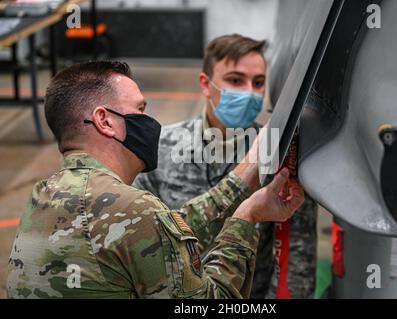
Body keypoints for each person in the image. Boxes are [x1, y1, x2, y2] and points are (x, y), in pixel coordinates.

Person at [6, 61, 304, 299]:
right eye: (139, 111)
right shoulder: (134, 209)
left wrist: (246, 172)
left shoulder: (44, 197)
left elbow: (163, 232)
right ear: (104, 120)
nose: (150, 123)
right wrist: (247, 216)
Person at [133, 34, 318, 299]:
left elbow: (296, 257)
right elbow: (145, 243)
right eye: (234, 80)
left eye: (258, 83)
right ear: (205, 85)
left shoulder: (279, 154)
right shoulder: (162, 148)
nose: (249, 92)